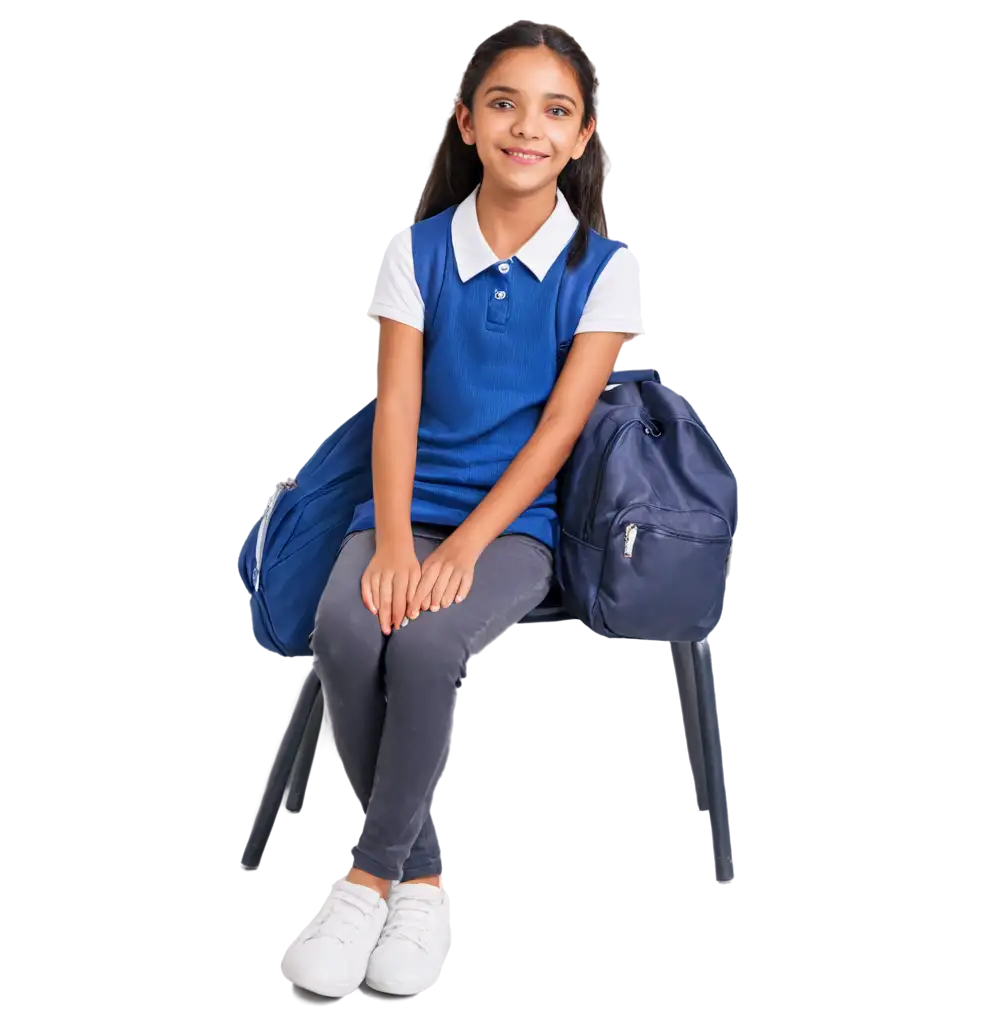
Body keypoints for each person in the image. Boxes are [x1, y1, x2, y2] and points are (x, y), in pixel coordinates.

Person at [278, 20, 647, 1001]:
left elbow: (560, 430)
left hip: (515, 527)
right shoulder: (412, 251)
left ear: (581, 136)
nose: (528, 127)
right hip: (404, 503)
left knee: (431, 643)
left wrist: (467, 546)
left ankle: (362, 882)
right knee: (349, 631)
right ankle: (425, 879)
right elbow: (396, 405)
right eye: (504, 103)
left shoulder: (604, 270)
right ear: (467, 122)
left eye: (554, 111)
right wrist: (394, 540)